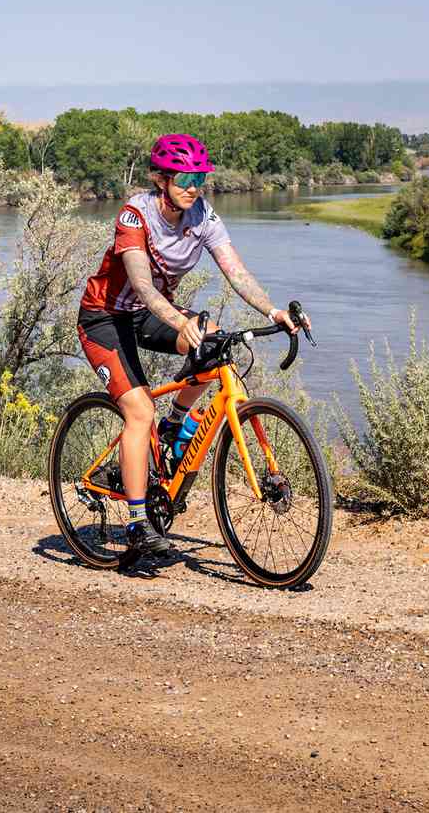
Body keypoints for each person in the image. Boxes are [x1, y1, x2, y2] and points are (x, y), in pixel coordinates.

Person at [77, 133, 309, 556]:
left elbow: (235, 272)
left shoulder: (203, 215)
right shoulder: (135, 216)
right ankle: (135, 522)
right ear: (160, 178)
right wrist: (178, 322)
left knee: (215, 338)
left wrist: (273, 312)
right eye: (184, 176)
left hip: (147, 314)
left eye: (199, 176)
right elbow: (143, 286)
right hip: (105, 317)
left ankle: (175, 421)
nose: (193, 185)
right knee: (139, 409)